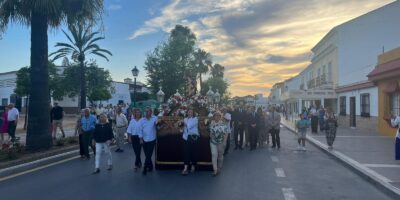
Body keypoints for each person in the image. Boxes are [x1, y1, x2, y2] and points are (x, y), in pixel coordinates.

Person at [208, 111, 229, 176]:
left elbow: (226, 133)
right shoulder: (211, 123)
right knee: (214, 155)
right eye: (215, 116)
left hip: (221, 142)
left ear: (220, 117)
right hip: (213, 142)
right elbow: (210, 133)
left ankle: (219, 168)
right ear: (214, 117)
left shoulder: (224, 123)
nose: (217, 117)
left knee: (220, 156)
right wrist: (212, 137)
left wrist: (224, 142)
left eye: (218, 116)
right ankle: (215, 170)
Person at [139, 107, 159, 175]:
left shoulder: (155, 118)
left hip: (152, 139)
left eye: (148, 111)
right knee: (147, 154)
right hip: (144, 139)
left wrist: (157, 124)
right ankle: (150, 166)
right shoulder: (142, 120)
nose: (147, 113)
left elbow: (158, 127)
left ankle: (145, 167)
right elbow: (140, 130)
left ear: (151, 112)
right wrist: (141, 139)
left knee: (149, 154)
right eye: (146, 111)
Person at [180, 108, 199, 176]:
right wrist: (180, 127)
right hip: (185, 138)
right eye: (189, 112)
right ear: (187, 113)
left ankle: (193, 165)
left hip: (193, 138)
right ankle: (185, 168)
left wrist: (182, 122)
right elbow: (183, 129)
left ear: (193, 113)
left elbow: (189, 126)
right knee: (186, 153)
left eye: (191, 112)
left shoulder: (195, 119)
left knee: (193, 152)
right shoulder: (185, 119)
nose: (190, 113)